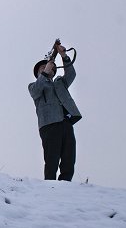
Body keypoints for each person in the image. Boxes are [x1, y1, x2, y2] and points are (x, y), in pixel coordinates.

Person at [28, 43, 82, 181]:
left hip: (66, 123)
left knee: (69, 159)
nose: (47, 68)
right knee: (51, 159)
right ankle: (49, 187)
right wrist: (45, 72)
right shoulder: (34, 86)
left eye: (49, 67)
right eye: (42, 68)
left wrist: (63, 55)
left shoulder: (60, 83)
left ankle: (66, 186)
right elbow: (35, 92)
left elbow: (71, 74)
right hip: (49, 125)